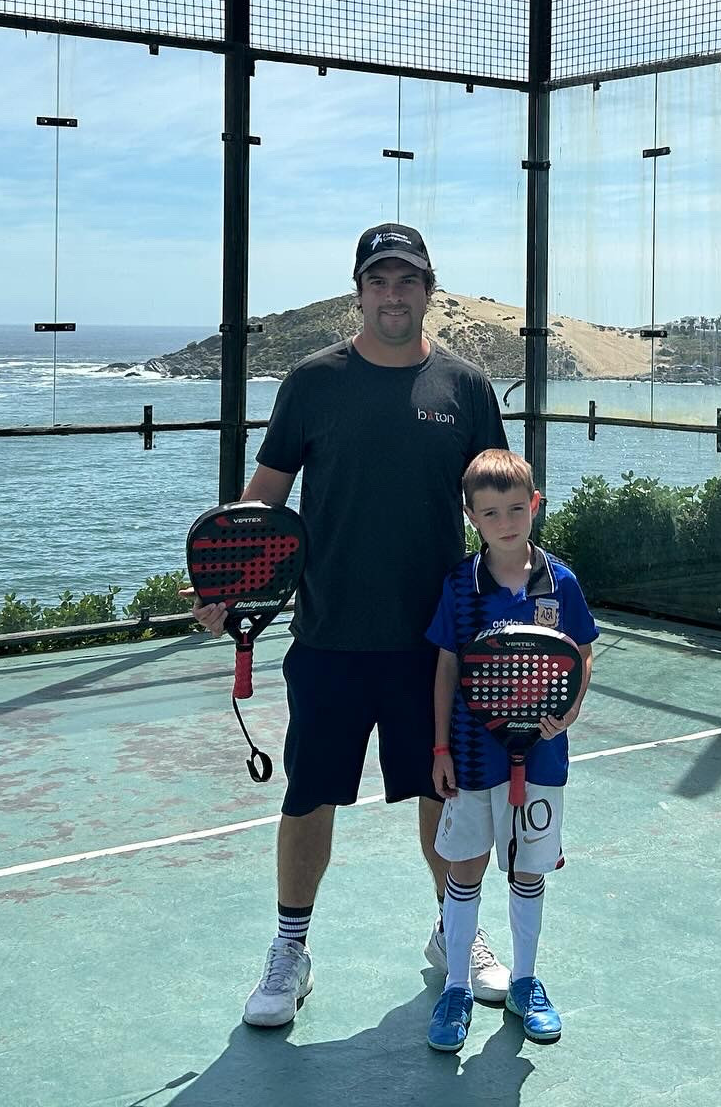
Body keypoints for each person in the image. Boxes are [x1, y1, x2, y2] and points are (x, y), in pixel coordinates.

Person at [190, 223, 512, 1027]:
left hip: (433, 646)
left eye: (407, 281)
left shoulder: (467, 387)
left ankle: (454, 932)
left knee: (443, 793)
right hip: (329, 636)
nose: (392, 295)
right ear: (360, 292)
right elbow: (263, 500)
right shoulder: (312, 382)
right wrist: (225, 586)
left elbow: (497, 510)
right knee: (309, 798)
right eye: (379, 281)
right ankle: (290, 951)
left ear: (429, 290)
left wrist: (522, 597)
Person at [425, 448, 597, 1052]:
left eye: (517, 509)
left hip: (542, 758)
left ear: (535, 506)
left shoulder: (561, 582)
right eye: (491, 512)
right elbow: (447, 669)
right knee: (466, 868)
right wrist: (441, 747)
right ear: (471, 516)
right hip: (473, 756)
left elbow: (580, 652)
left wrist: (570, 709)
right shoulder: (459, 585)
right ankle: (456, 988)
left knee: (528, 870)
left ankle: (525, 982)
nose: (506, 522)